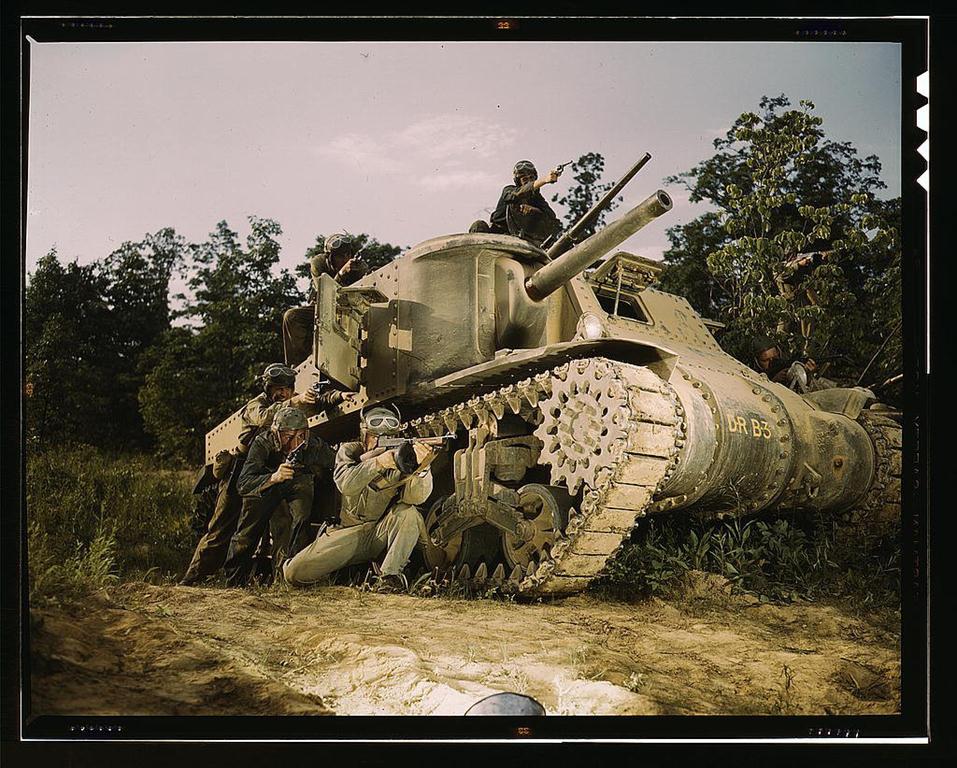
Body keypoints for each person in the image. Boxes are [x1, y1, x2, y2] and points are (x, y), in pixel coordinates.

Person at [179, 363, 343, 586]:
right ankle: (193, 580)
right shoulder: (256, 405)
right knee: (221, 529)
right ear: (267, 388)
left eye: (286, 388)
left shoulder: (292, 406)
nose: (281, 393)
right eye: (276, 388)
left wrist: (338, 396)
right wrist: (296, 400)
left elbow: (319, 403)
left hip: (273, 472)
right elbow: (264, 418)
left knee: (282, 526)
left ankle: (280, 581)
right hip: (242, 469)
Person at [282, 406, 437, 593]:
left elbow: (416, 498)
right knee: (294, 573)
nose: (380, 444)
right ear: (364, 435)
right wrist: (379, 462)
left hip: (378, 532)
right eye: (375, 437)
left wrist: (421, 468)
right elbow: (346, 484)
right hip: (346, 533)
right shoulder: (348, 451)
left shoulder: (401, 458)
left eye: (388, 439)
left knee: (409, 513)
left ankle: (389, 577)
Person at [223, 406, 336, 588]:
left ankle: (290, 580)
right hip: (264, 484)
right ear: (276, 434)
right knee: (247, 533)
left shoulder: (313, 444)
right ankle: (234, 583)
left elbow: (337, 461)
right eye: (288, 437)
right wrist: (273, 477)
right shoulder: (262, 443)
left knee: (299, 522)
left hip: (296, 481)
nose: (294, 443)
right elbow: (243, 483)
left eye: (300, 436)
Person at [282, 232, 370, 367]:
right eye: (340, 256)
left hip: (349, 309)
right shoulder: (319, 263)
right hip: (322, 306)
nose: (345, 259)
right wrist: (341, 273)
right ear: (330, 257)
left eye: (348, 254)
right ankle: (298, 364)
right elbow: (325, 292)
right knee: (292, 316)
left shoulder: (359, 267)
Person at [470, 160, 563, 247]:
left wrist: (534, 210)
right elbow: (518, 194)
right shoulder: (509, 190)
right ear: (518, 182)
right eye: (525, 179)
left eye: (531, 178)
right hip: (496, 237)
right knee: (478, 225)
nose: (529, 181)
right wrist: (544, 180)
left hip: (522, 241)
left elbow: (552, 220)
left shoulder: (537, 200)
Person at [750, 336, 826, 394]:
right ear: (757, 361)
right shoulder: (751, 376)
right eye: (765, 360)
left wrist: (808, 373)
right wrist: (773, 382)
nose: (772, 362)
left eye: (775, 357)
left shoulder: (785, 362)